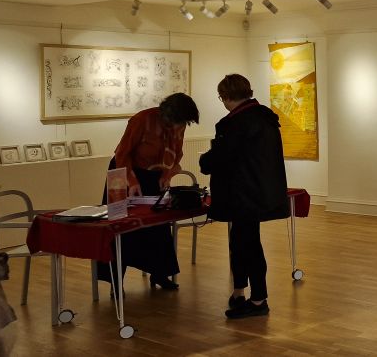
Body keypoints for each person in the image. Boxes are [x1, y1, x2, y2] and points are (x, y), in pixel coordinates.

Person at [199, 74, 288, 319]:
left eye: (221, 98)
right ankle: (239, 292)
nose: (222, 103)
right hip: (258, 192)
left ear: (227, 97)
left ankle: (258, 299)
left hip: (242, 195)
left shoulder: (234, 123)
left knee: (247, 245)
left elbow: (217, 159)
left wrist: (203, 160)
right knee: (241, 242)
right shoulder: (266, 118)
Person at [97, 93, 199, 292]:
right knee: (121, 228)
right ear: (166, 114)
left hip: (153, 176)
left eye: (182, 123)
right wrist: (131, 181)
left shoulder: (180, 123)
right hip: (123, 172)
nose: (178, 127)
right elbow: (122, 153)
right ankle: (115, 282)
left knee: (158, 226)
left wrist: (167, 175)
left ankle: (159, 273)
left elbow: (176, 155)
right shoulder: (142, 120)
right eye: (176, 122)